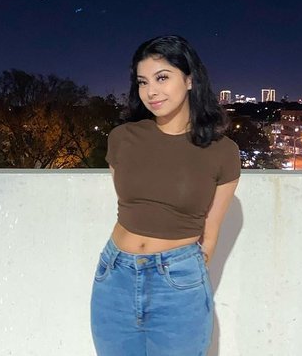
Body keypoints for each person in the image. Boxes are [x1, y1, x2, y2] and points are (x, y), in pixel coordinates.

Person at [90, 35, 241, 356]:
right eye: (143, 82)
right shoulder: (122, 138)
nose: (151, 91)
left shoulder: (222, 152)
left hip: (177, 283)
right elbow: (130, 203)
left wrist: (181, 276)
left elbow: (210, 236)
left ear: (190, 79)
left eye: (162, 78)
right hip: (115, 276)